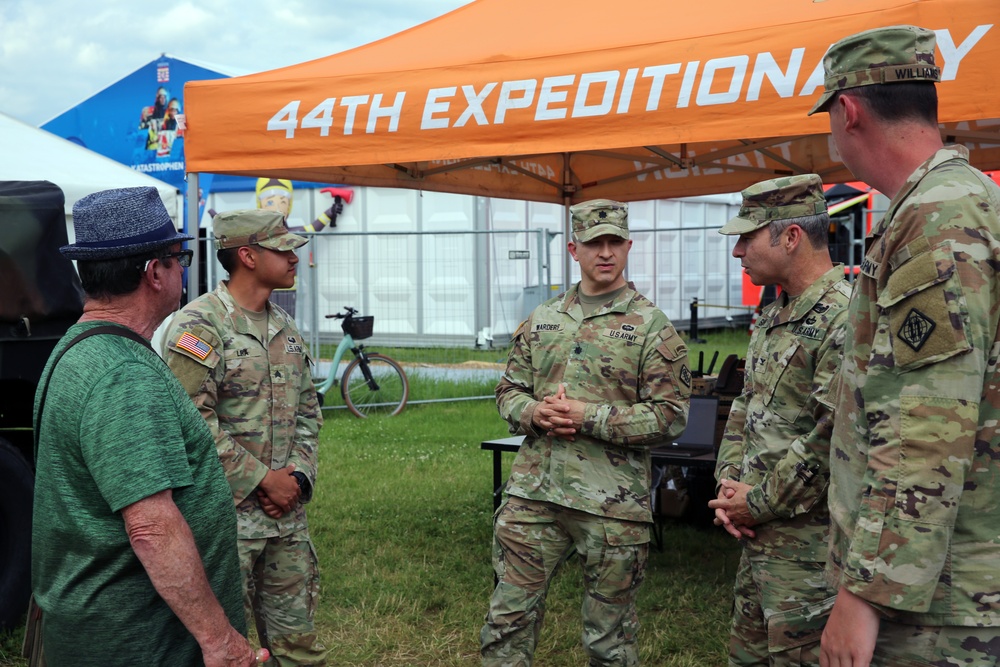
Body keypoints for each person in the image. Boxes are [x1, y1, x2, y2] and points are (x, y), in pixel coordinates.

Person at [808, 25, 1000, 666]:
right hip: (942, 583)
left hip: (936, 607)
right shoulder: (953, 202)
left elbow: (927, 428)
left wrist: (865, 594)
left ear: (849, 110)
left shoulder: (937, 217)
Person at [30, 187, 254, 666]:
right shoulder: (122, 374)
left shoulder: (79, 348)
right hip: (140, 643)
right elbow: (152, 528)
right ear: (155, 273)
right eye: (180, 257)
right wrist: (219, 640)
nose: (183, 269)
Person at [481, 199, 692, 666]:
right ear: (574, 249)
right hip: (534, 494)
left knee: (609, 640)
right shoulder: (545, 318)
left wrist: (587, 416)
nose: (606, 252)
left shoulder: (651, 327)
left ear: (629, 246)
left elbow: (671, 416)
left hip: (611, 506)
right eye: (595, 242)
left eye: (615, 241)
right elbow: (507, 391)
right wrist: (534, 412)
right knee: (506, 622)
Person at [164, 209, 328, 666]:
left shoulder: (285, 327)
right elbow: (191, 422)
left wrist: (296, 477)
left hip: (286, 518)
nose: (295, 256)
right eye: (282, 248)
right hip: (226, 522)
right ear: (247, 256)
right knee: (223, 647)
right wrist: (262, 480)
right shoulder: (200, 326)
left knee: (297, 646)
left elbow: (309, 411)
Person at [709, 175, 850, 666]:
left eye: (748, 238)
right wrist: (728, 485)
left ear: (791, 237)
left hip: (811, 552)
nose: (738, 251)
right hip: (759, 540)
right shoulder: (774, 315)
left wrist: (759, 503)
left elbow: (832, 436)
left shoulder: (845, 318)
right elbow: (746, 405)